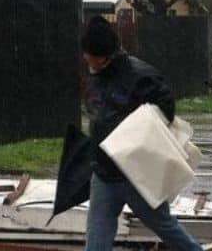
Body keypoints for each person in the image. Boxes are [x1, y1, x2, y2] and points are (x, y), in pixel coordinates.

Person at [80, 16, 204, 251]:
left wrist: (134, 135)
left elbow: (165, 111)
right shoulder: (96, 75)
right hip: (104, 173)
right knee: (97, 238)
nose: (85, 58)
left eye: (89, 54)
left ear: (102, 56)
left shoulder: (140, 76)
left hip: (135, 174)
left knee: (166, 227)